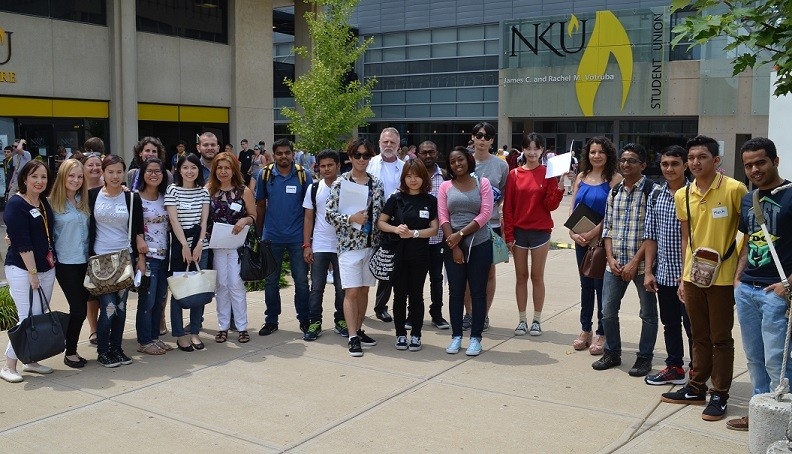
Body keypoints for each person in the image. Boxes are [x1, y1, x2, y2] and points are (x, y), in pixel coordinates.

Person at [661, 135, 748, 422]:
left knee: (720, 337)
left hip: (723, 278)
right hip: (694, 276)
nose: (696, 162)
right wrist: (683, 278)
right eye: (692, 158)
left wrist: (738, 273)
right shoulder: (683, 194)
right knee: (698, 335)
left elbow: (748, 234)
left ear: (716, 160)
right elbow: (688, 237)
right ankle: (697, 387)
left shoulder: (736, 189)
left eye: (702, 157)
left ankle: (720, 393)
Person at [727, 138, 792, 431]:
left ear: (775, 161)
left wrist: (787, 285)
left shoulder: (790, 195)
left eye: (760, 162)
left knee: (778, 360)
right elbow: (747, 242)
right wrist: (738, 278)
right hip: (748, 289)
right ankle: (760, 415)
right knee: (754, 357)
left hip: (776, 291)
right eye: (748, 165)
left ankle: (784, 419)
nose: (754, 169)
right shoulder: (748, 199)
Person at [591, 144, 659, 376]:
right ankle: (612, 352)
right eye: (623, 160)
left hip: (642, 266)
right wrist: (610, 258)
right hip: (616, 264)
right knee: (607, 311)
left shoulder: (652, 191)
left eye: (632, 161)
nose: (626, 164)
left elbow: (653, 232)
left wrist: (634, 263)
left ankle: (644, 357)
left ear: (643, 165)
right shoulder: (615, 191)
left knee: (648, 315)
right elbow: (607, 227)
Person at [326, 138, 385, 357]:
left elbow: (382, 214)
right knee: (350, 291)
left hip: (371, 246)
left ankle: (359, 330)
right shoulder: (341, 183)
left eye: (366, 155)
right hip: (349, 246)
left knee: (363, 290)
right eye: (357, 155)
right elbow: (329, 214)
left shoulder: (376, 184)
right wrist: (351, 218)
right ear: (350, 157)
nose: (362, 159)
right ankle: (351, 337)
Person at [503, 132, 565, 337]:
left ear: (542, 151)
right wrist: (509, 236)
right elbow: (508, 208)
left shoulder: (548, 173)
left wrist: (560, 186)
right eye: (528, 148)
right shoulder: (514, 174)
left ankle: (537, 320)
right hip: (519, 233)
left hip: (540, 232)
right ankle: (522, 320)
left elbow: (550, 205)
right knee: (521, 277)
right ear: (522, 149)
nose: (531, 152)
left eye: (536, 148)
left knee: (537, 276)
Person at [1, 161, 58, 383]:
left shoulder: (43, 202)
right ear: (25, 178)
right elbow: (23, 243)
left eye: (44, 177)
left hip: (46, 267)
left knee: (38, 316)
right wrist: (32, 273)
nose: (39, 181)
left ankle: (30, 359)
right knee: (27, 318)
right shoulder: (16, 204)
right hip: (23, 269)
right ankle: (8, 365)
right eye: (34, 176)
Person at [88, 155, 145, 368]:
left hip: (124, 258)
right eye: (110, 171)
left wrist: (141, 259)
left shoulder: (132, 198)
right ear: (103, 173)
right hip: (100, 260)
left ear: (124, 173)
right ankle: (103, 351)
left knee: (121, 306)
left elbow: (139, 230)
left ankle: (117, 349)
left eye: (119, 172)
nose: (114, 176)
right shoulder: (92, 196)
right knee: (109, 306)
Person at [643, 145, 694, 386]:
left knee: (693, 326)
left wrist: (687, 275)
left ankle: (698, 371)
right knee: (670, 323)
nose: (669, 168)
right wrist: (649, 271)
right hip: (664, 274)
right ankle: (674, 366)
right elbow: (651, 235)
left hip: (691, 276)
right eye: (665, 164)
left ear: (685, 165)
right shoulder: (656, 195)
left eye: (675, 164)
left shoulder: (696, 193)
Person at [377, 159, 439, 351]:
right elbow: (381, 222)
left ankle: (417, 335)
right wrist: (396, 229)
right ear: (404, 178)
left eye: (417, 176)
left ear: (423, 178)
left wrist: (415, 233)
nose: (413, 180)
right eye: (409, 176)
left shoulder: (430, 200)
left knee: (417, 296)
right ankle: (401, 334)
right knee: (399, 296)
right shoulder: (396, 199)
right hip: (399, 255)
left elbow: (435, 229)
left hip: (420, 256)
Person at [569, 137, 623, 355]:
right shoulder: (581, 177)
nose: (596, 155)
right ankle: (585, 329)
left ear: (608, 154)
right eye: (592, 152)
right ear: (587, 154)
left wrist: (593, 232)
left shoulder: (614, 179)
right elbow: (574, 207)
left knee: (601, 287)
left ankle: (602, 332)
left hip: (602, 242)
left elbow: (613, 213)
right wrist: (573, 233)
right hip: (581, 240)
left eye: (601, 152)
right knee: (585, 286)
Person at [255, 138, 313, 336]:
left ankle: (304, 319)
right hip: (272, 237)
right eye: (279, 153)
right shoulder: (265, 174)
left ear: (292, 153)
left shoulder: (303, 175)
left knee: (301, 281)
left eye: (287, 153)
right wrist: (259, 234)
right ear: (274, 155)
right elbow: (260, 205)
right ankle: (271, 320)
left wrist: (308, 240)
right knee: (271, 282)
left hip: (297, 238)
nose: (283, 157)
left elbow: (309, 210)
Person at [439, 147, 494, 356]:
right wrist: (453, 244)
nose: (457, 164)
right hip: (453, 246)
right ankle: (456, 337)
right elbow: (443, 216)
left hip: (479, 244)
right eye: (452, 162)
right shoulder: (445, 187)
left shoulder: (483, 183)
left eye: (460, 160)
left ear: (468, 160)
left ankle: (476, 338)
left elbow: (486, 214)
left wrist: (459, 235)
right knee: (456, 292)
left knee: (478, 292)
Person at [207, 151, 256, 344]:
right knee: (222, 286)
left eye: (227, 168)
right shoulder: (209, 189)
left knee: (236, 284)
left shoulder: (243, 191)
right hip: (217, 244)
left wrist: (245, 220)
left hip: (237, 246)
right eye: (219, 168)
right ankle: (223, 327)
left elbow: (254, 216)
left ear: (233, 170)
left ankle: (242, 327)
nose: (223, 171)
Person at [165, 153, 211, 352]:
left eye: (193, 167)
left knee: (198, 290)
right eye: (185, 168)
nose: (189, 171)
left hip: (201, 247)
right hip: (179, 247)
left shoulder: (203, 192)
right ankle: (179, 335)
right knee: (179, 291)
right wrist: (185, 245)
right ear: (179, 170)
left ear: (198, 170)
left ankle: (194, 332)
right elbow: (174, 221)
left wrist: (199, 244)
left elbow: (204, 221)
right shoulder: (172, 190)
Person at [49, 159, 92, 368]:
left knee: (83, 307)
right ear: (62, 176)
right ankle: (70, 351)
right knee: (79, 309)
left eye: (79, 176)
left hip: (87, 262)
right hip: (66, 264)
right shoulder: (50, 203)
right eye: (71, 175)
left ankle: (70, 344)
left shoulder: (83, 200)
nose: (75, 180)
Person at [467, 121, 508, 332]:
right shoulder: (464, 161)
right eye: (478, 135)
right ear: (472, 137)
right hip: (464, 225)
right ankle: (469, 313)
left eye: (486, 136)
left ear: (492, 140)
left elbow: (503, 194)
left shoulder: (501, 165)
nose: (482, 140)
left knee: (488, 273)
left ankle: (483, 315)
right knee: (465, 272)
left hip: (490, 225)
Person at [302, 149, 347, 341]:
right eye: (323, 166)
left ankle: (341, 320)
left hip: (342, 245)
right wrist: (307, 245)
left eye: (330, 165)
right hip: (320, 244)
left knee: (341, 287)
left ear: (338, 166)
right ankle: (315, 322)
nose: (326, 169)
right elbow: (309, 217)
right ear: (317, 167)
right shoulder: (313, 189)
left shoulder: (347, 187)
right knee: (317, 287)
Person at [134, 158, 172, 355]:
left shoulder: (166, 197)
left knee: (160, 299)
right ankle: (144, 340)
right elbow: (133, 230)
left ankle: (155, 338)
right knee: (147, 300)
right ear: (142, 174)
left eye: (158, 171)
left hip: (165, 255)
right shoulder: (134, 198)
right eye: (149, 171)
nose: (154, 174)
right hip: (147, 256)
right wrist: (140, 258)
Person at [368, 127, 405, 323]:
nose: (388, 145)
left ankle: (380, 306)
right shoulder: (370, 163)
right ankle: (355, 304)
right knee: (363, 263)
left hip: (393, 224)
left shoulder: (406, 166)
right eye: (385, 142)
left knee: (387, 265)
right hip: (368, 222)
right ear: (379, 143)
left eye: (392, 142)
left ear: (399, 146)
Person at [416, 140, 450, 329]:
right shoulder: (413, 175)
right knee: (416, 280)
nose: (428, 156)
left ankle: (436, 313)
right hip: (417, 238)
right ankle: (414, 315)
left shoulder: (444, 176)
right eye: (424, 152)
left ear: (437, 153)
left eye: (431, 152)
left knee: (436, 279)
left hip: (438, 239)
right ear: (418, 154)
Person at [80, 139, 105, 345]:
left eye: (98, 165)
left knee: (107, 289)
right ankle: (94, 329)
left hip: (106, 244)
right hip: (84, 246)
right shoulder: (77, 191)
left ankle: (108, 327)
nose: (95, 168)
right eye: (91, 165)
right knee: (91, 292)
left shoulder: (111, 188)